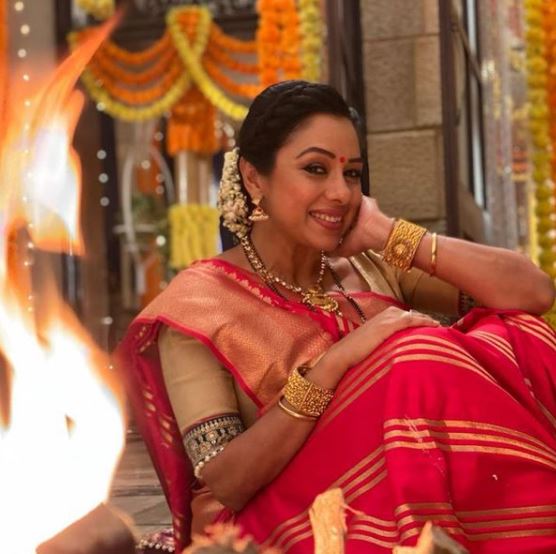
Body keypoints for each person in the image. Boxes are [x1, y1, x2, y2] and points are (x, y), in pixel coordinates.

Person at [118, 80, 556, 554]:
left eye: (352, 174)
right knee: (413, 355)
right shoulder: (199, 304)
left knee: (516, 332)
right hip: (276, 520)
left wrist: (387, 232)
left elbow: (532, 294)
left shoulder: (367, 264)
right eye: (315, 169)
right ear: (254, 177)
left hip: (399, 486)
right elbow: (227, 481)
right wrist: (337, 364)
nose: (341, 192)